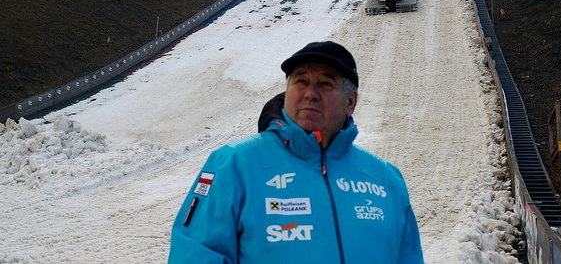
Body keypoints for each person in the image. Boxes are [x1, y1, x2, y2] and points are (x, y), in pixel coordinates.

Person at [168, 41, 424, 263]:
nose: (311, 94)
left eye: (325, 83)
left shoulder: (386, 179)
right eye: (301, 80)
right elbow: (196, 254)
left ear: (350, 102)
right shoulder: (233, 165)